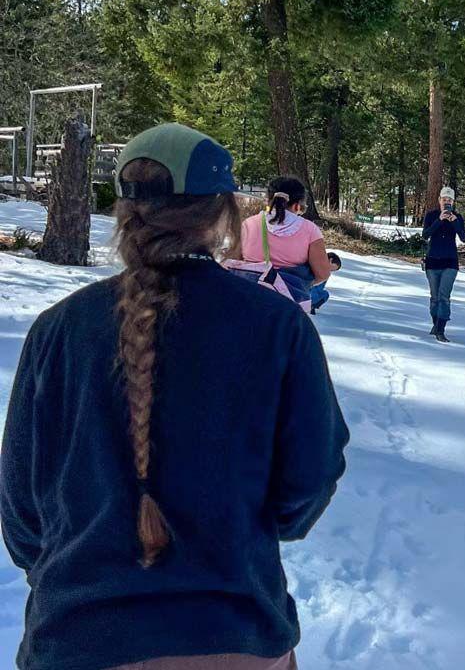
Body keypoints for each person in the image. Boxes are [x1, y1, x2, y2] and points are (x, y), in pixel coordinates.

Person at [0, 123, 349, 670]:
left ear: (123, 212)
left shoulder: (59, 330)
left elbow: (22, 512)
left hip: (78, 639)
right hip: (235, 633)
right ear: (224, 213)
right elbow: (305, 487)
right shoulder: (277, 327)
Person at [240, 177, 334, 312]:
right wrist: (302, 283)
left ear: (268, 200)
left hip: (248, 300)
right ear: (297, 205)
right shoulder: (309, 229)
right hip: (288, 306)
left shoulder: (249, 224)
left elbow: (235, 260)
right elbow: (323, 273)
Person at [421, 186, 465, 342]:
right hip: (432, 262)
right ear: (439, 200)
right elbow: (425, 235)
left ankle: (441, 330)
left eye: (449, 200)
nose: (446, 203)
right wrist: (439, 220)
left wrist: (455, 223)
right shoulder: (432, 216)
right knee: (434, 297)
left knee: (444, 296)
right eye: (444, 200)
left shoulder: (457, 217)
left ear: (453, 202)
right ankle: (435, 324)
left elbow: (463, 238)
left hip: (450, 262)